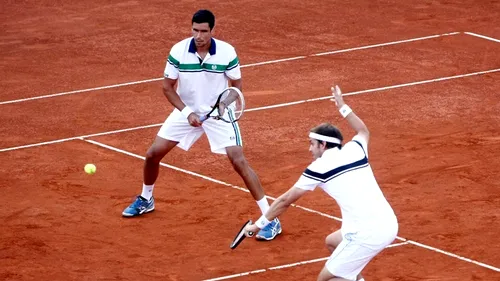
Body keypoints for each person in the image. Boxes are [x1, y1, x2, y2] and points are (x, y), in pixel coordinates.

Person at [122, 9, 282, 241]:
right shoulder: (178, 51)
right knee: (152, 154)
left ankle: (270, 218)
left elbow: (236, 85)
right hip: (186, 111)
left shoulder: (227, 52)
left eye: (203, 31)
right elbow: (167, 87)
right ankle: (146, 199)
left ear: (212, 31)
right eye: (195, 30)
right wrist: (187, 113)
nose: (198, 35)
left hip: (219, 114)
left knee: (238, 161)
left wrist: (223, 104)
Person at [244, 85, 398, 280]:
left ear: (323, 145)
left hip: (368, 233)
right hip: (387, 222)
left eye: (312, 144)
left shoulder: (319, 167)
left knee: (324, 279)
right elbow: (362, 130)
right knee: (333, 242)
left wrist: (257, 226)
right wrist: (343, 106)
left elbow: (285, 201)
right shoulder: (355, 148)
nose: (310, 149)